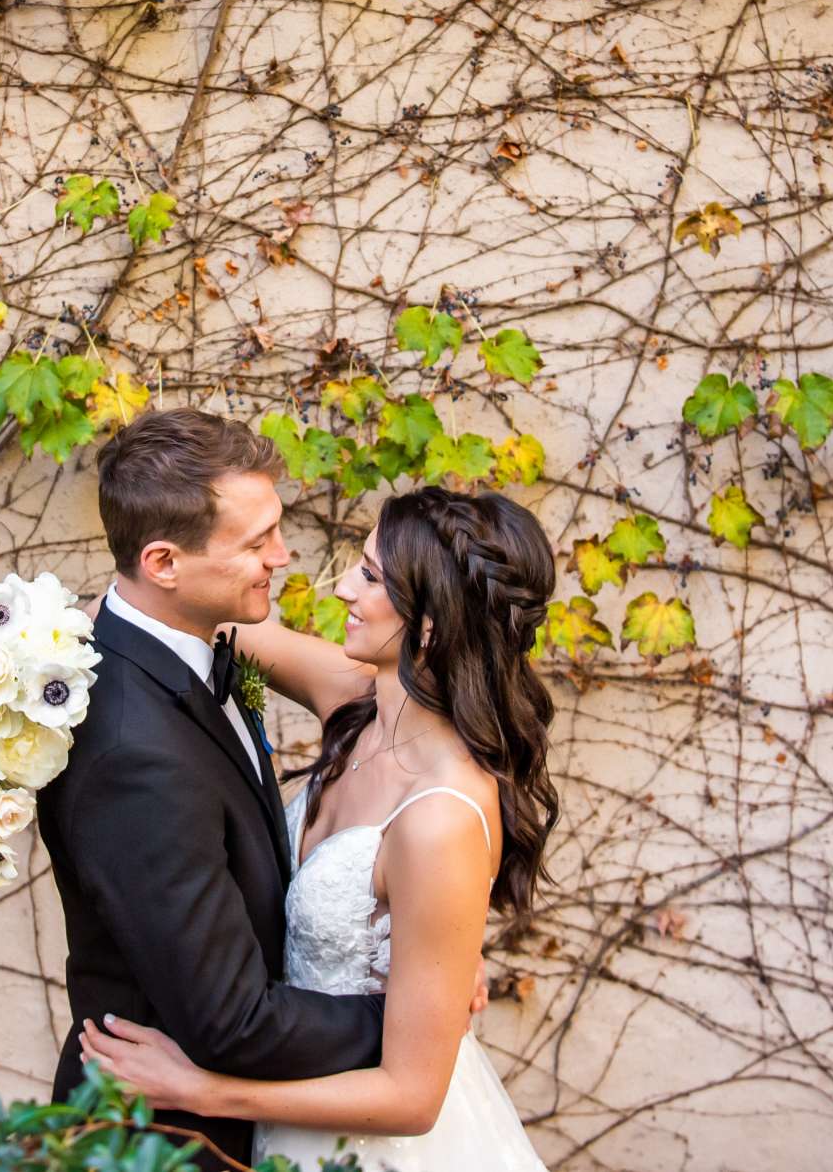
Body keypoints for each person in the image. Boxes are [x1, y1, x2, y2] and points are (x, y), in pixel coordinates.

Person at [80, 484, 559, 1172]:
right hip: (285, 1096)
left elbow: (413, 1097)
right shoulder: (355, 697)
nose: (339, 588)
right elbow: (161, 609)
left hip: (366, 1142)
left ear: (429, 623)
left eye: (368, 575)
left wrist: (205, 1091)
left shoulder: (439, 818)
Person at [37, 409, 386, 1170]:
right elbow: (233, 1024)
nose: (283, 555)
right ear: (163, 563)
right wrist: (406, 1014)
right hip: (167, 1141)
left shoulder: (198, 648)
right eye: (256, 542)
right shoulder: (136, 756)